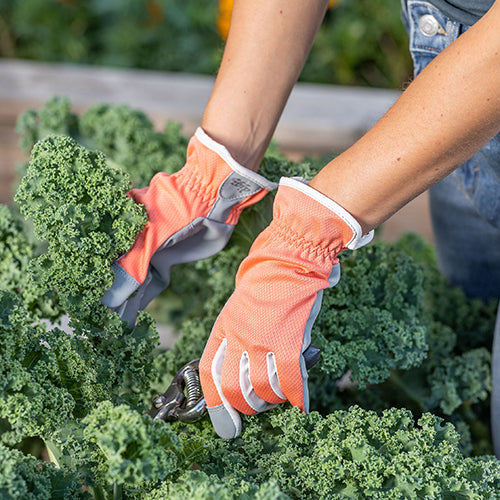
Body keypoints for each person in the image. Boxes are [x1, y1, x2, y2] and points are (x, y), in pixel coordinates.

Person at [102, 0, 500, 445]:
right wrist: (213, 169)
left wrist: (308, 235)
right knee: (477, 337)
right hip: (457, 111)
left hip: (477, 83)